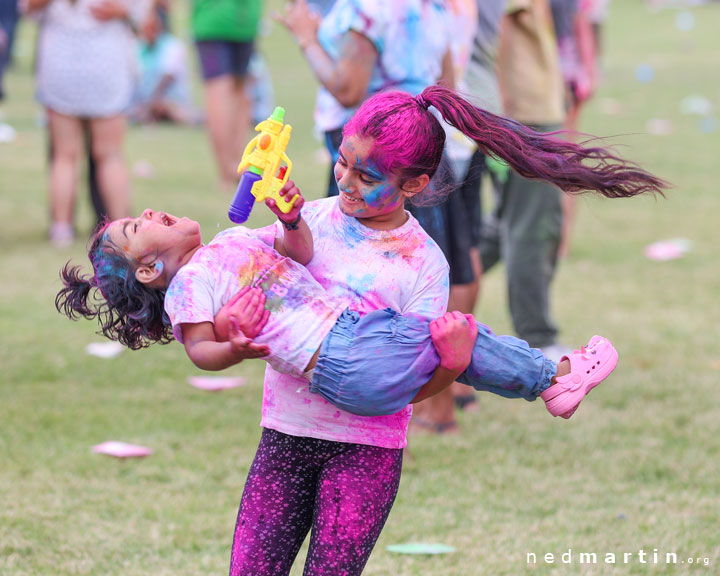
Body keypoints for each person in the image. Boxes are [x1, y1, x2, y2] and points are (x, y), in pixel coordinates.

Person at [56, 86, 666, 575]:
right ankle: (552, 379)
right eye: (342, 165)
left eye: (365, 176)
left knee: (460, 340)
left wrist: (453, 366)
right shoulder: (303, 223)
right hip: (287, 437)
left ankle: (549, 378)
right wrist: (289, 230)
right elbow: (218, 329)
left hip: (367, 446)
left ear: (415, 185)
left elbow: (412, 378)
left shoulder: (425, 264)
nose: (345, 184)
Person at [481, 0, 569, 361]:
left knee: (504, 225)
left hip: (534, 112)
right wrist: (502, 111)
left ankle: (436, 282)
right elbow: (494, 28)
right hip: (523, 117)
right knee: (532, 227)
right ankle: (538, 337)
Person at [27, 0, 152, 246]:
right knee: (110, 156)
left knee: (64, 156)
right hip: (106, 61)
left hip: (61, 60)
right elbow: (143, 14)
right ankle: (123, 232)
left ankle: (61, 229)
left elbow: (29, 8)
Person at [192, 0, 262, 189]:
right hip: (245, 19)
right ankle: (238, 166)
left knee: (219, 93)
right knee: (239, 91)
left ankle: (227, 171)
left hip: (213, 19)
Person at [131, 9, 196, 125]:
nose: (148, 33)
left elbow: (168, 76)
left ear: (159, 29)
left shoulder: (172, 45)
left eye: (152, 29)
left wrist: (154, 100)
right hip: (147, 101)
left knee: (173, 111)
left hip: (171, 99)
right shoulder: (139, 47)